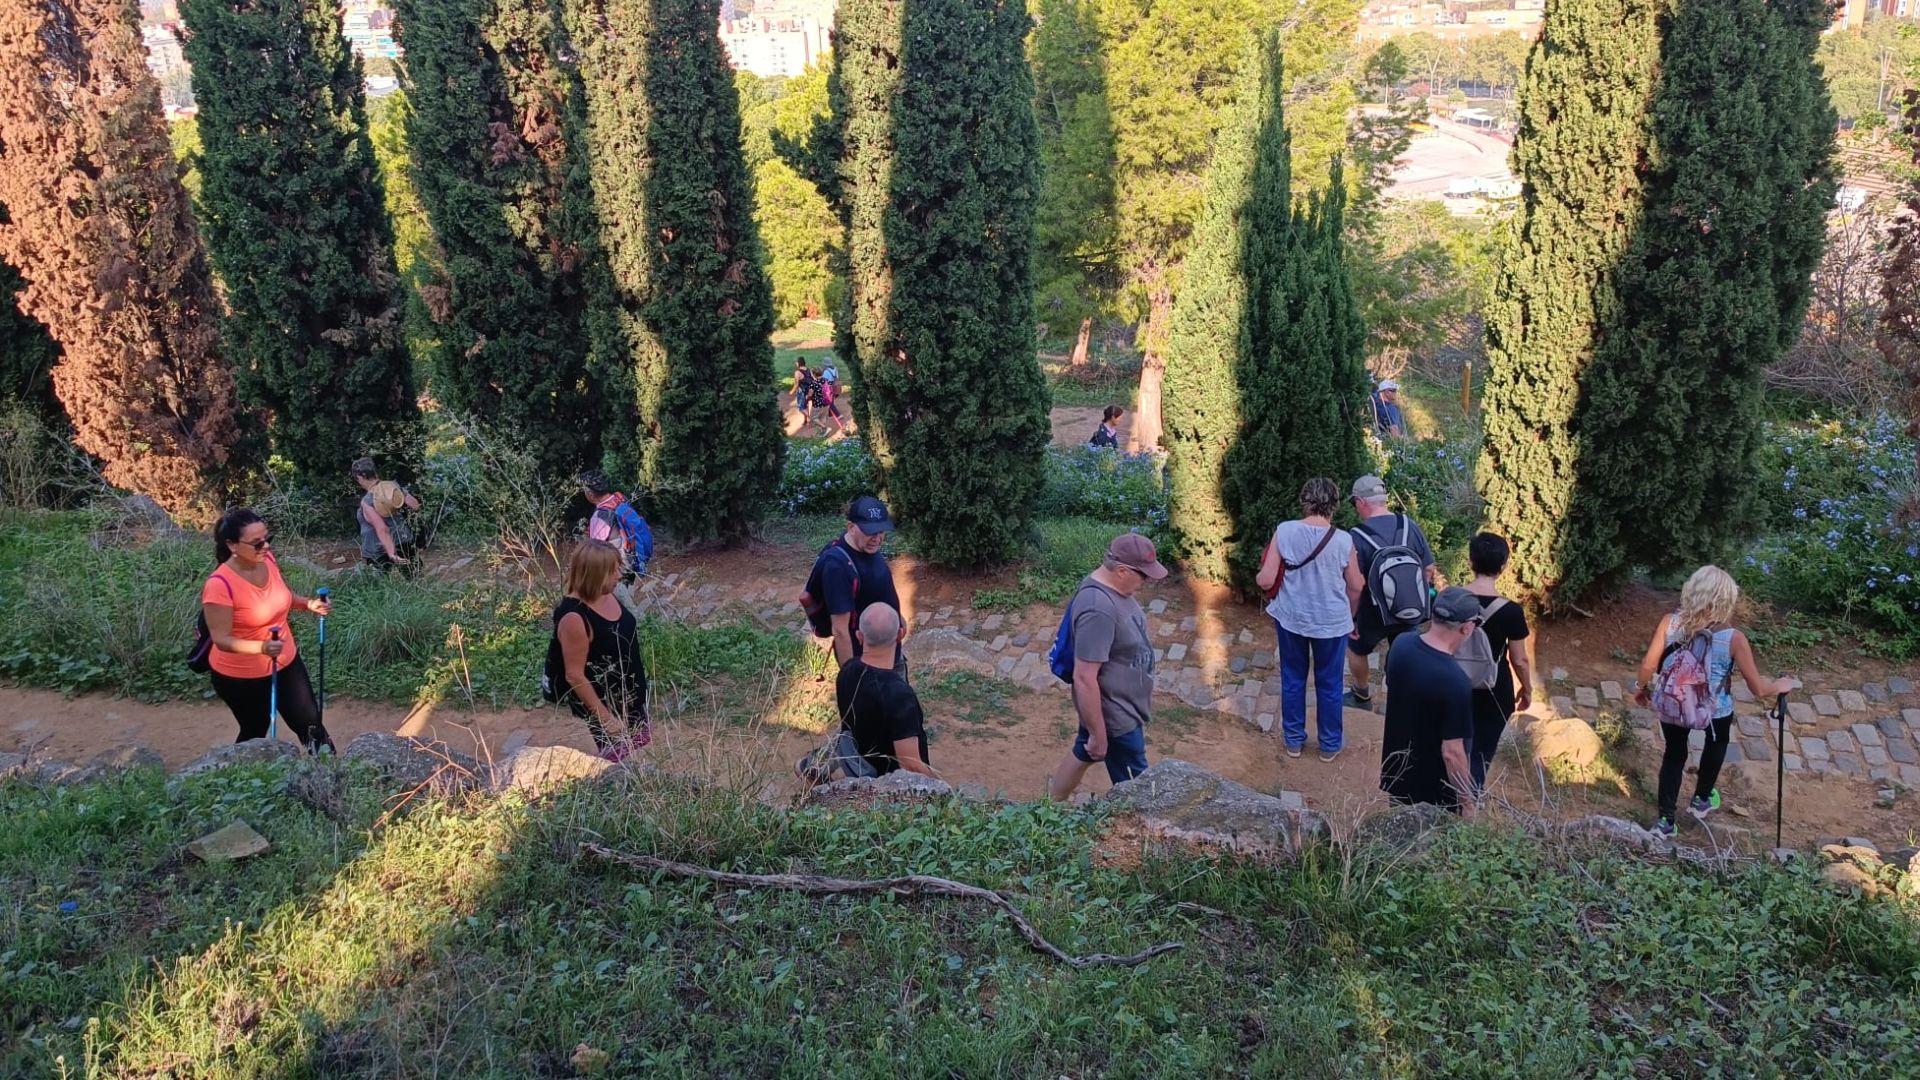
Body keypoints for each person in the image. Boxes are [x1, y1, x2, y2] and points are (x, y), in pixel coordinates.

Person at [1633, 565, 1799, 838]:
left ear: (1692, 590)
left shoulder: (1669, 623)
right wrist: (1780, 685)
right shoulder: (1734, 638)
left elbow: (1650, 663)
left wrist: (1639, 687)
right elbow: (1757, 688)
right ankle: (1701, 798)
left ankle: (1665, 822)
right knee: (1717, 742)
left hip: (1675, 703)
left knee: (1674, 754)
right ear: (1726, 600)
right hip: (1714, 710)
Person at [201, 508, 335, 752]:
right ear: (232, 545)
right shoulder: (219, 585)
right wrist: (261, 647)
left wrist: (308, 604)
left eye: (267, 539)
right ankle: (244, 780)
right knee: (255, 729)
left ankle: (329, 780)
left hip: (284, 660)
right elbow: (221, 639)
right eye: (257, 543)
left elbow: (281, 597)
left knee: (310, 723)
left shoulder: (267, 561)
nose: (266, 547)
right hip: (238, 676)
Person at [1048, 533, 1166, 799]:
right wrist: (1100, 733)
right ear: (1122, 570)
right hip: (1116, 716)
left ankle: (1046, 809)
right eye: (1144, 575)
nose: (1146, 582)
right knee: (1139, 791)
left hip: (1120, 707)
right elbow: (1084, 678)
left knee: (1084, 750)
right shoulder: (1097, 609)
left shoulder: (1113, 588)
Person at [1256, 477, 1365, 761]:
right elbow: (1356, 585)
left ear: (1304, 501)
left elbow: (1266, 579)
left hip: (1291, 617)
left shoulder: (1285, 530)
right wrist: (1350, 616)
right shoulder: (1343, 540)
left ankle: (1293, 741)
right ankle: (1329, 745)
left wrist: (1259, 577)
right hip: (1331, 621)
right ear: (1335, 506)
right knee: (1329, 684)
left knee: (1293, 679)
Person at [1378, 587, 1480, 815]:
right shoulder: (1455, 682)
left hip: (1398, 774)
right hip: (1434, 793)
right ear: (1467, 627)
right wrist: (1466, 802)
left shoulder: (1401, 644)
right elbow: (1452, 752)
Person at [551, 539, 650, 761]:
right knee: (614, 756)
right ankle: (602, 777)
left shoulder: (607, 593)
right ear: (595, 575)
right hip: (604, 701)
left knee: (641, 736)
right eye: (613, 571)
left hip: (627, 690)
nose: (618, 576)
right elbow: (574, 674)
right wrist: (605, 718)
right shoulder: (574, 618)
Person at [1346, 475, 1438, 710]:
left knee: (1356, 648)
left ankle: (1362, 696)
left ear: (1361, 501)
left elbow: (1356, 585)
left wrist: (1351, 617)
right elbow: (1428, 568)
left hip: (1371, 612)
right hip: (1408, 608)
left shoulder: (1356, 536)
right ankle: (1397, 701)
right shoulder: (1408, 525)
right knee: (1403, 653)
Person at [1461, 532, 1533, 792]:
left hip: (1452, 682)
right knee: (1481, 751)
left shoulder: (1450, 599)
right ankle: (1468, 801)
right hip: (1493, 687)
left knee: (1448, 741)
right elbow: (1520, 659)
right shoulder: (1511, 611)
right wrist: (1526, 688)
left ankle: (1441, 795)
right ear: (1503, 566)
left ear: (1470, 561)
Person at [834, 604, 937, 778]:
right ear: (900, 635)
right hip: (887, 783)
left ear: (859, 637)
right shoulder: (899, 695)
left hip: (858, 762)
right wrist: (944, 791)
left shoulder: (848, 670)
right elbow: (912, 767)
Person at [810, 495, 910, 676]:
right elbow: (840, 630)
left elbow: (878, 588)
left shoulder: (867, 547)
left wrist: (898, 616)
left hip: (889, 650)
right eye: (870, 531)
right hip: (868, 663)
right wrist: (852, 678)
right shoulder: (837, 567)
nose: (877, 538)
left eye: (881, 531)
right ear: (851, 527)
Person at [579, 469, 653, 611]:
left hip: (618, 567)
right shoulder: (619, 499)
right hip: (632, 556)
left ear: (590, 494)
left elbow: (595, 550)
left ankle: (638, 625)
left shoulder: (600, 516)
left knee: (623, 606)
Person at [352, 457, 419, 573]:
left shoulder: (367, 501)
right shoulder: (392, 487)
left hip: (379, 550)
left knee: (382, 586)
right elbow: (415, 505)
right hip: (403, 540)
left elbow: (382, 528)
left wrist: (392, 553)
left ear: (360, 477)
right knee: (413, 579)